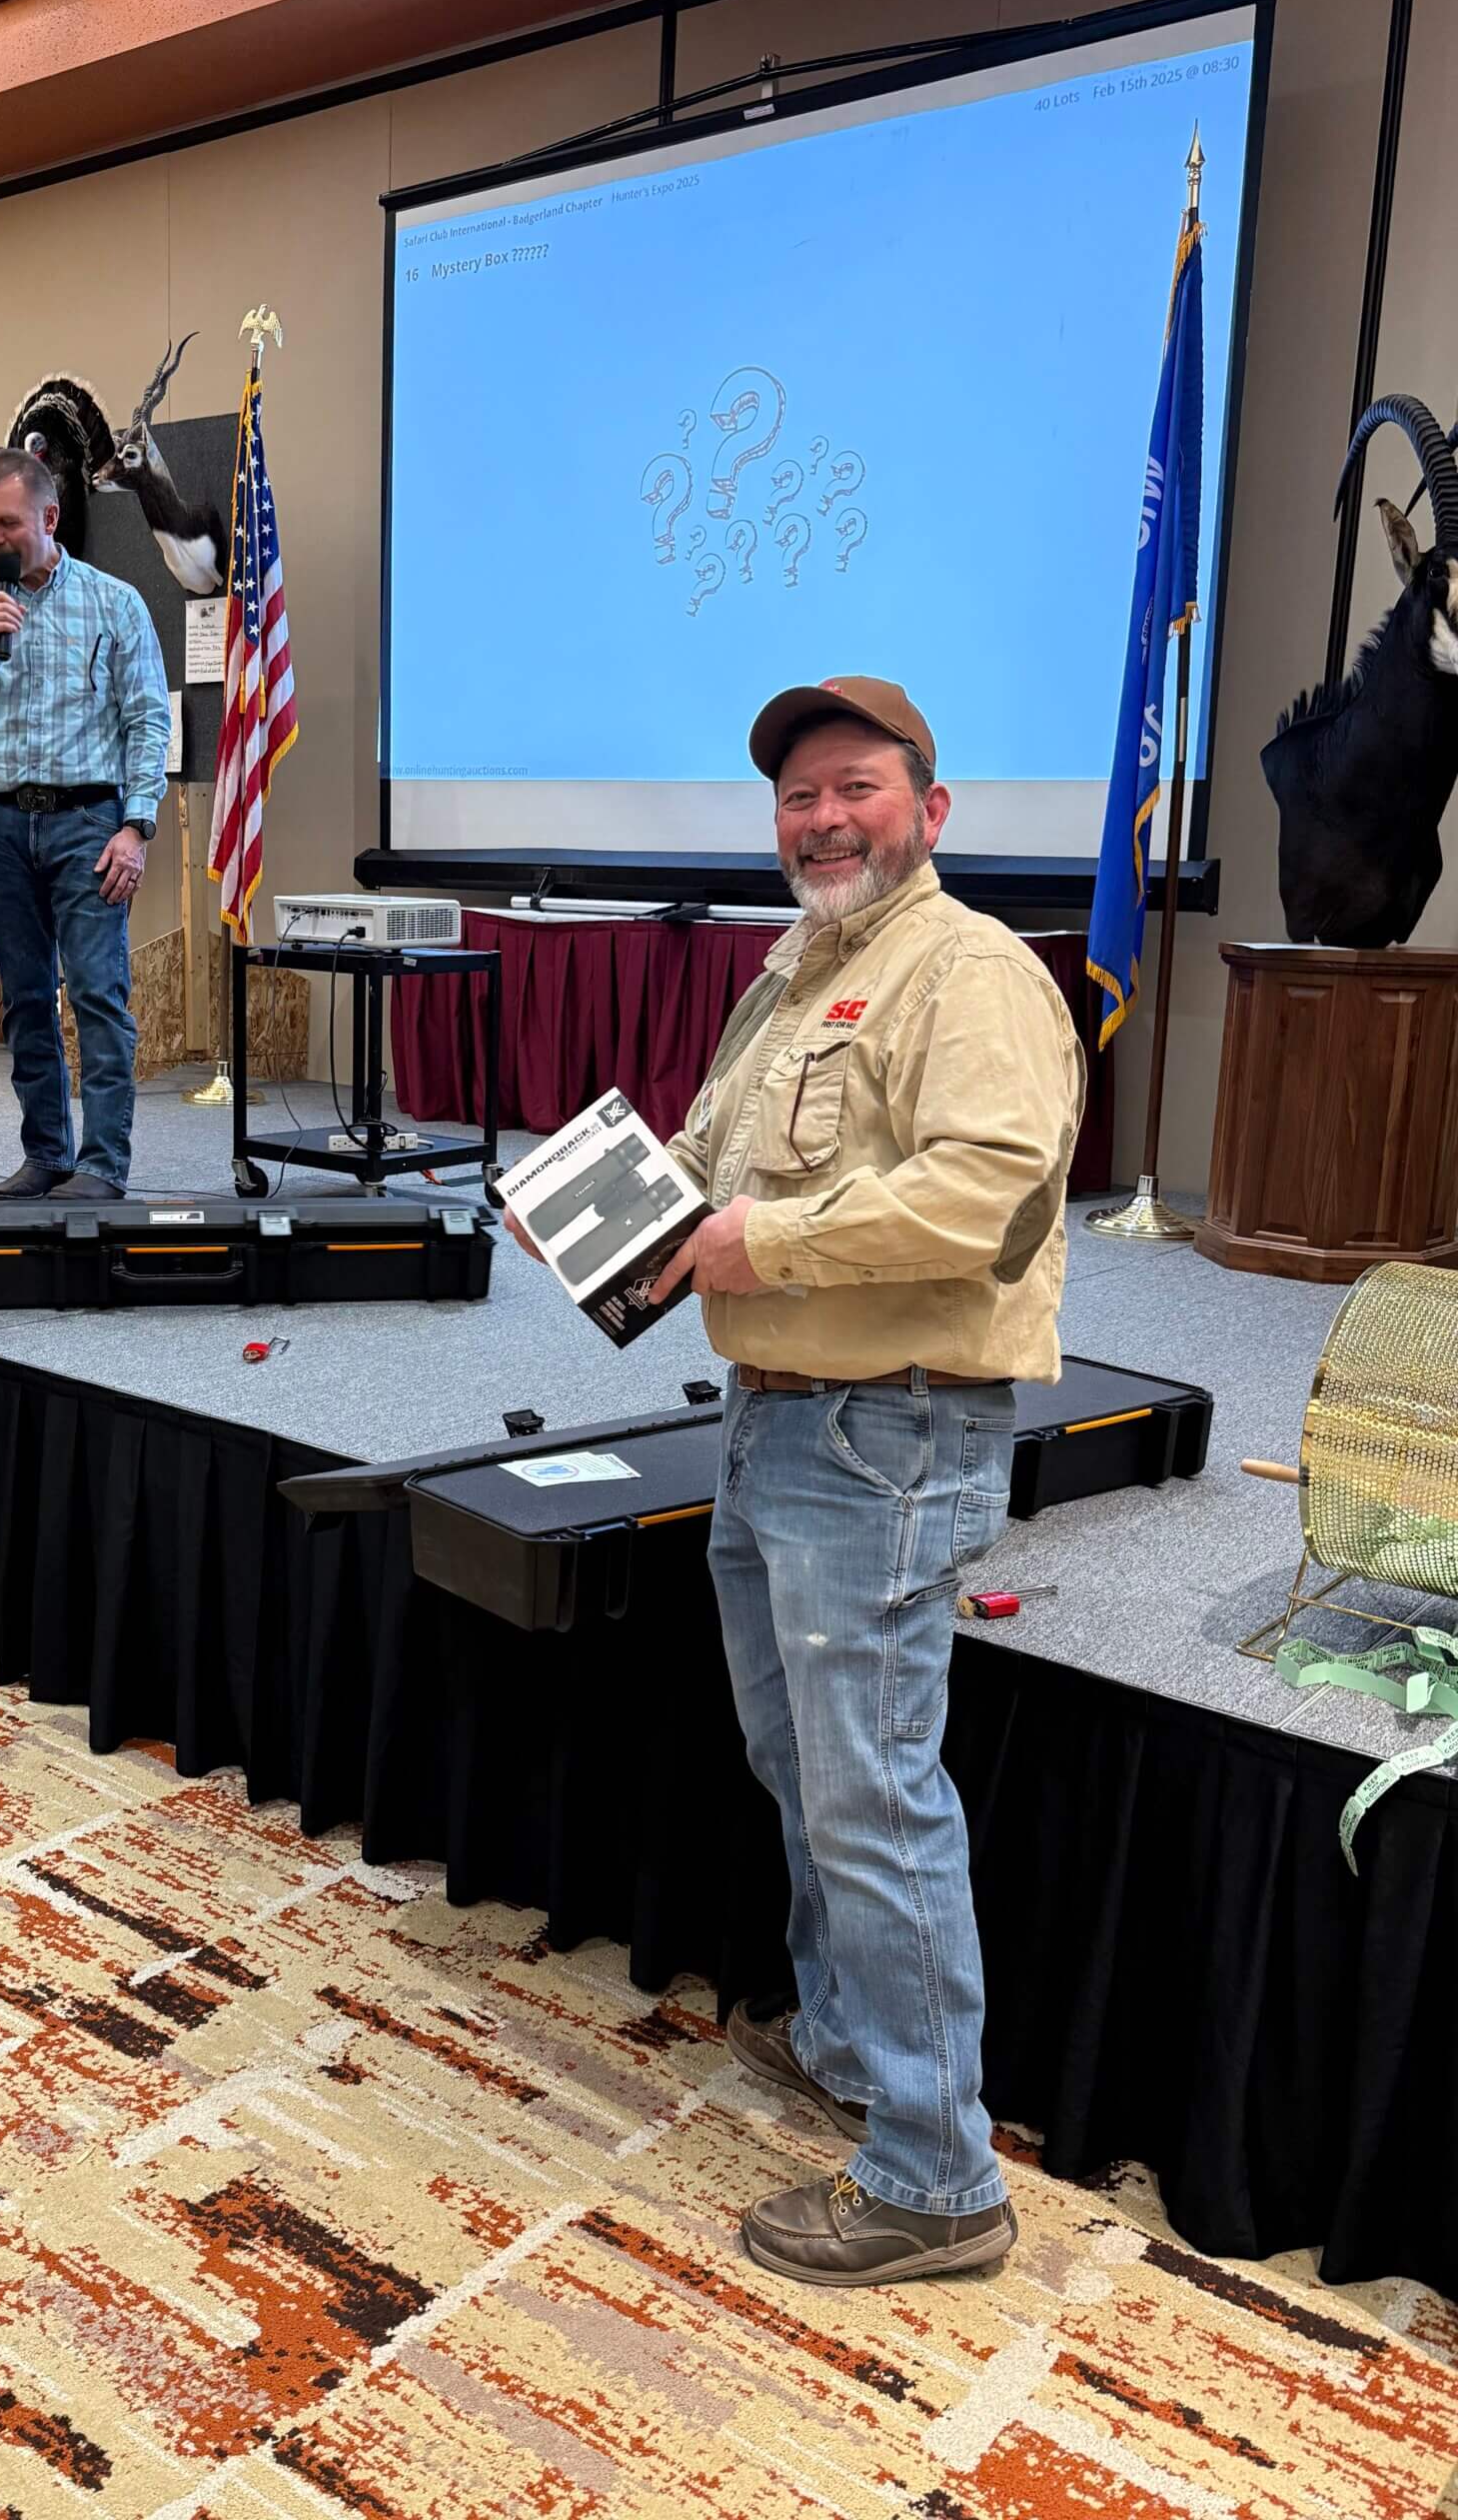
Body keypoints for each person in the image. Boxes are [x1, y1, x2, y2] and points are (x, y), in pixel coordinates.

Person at [512, 676, 1082, 2286]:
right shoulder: (791, 977)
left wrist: (759, 1241)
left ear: (930, 809)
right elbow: (709, 1173)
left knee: (873, 1798)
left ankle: (936, 2179)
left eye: (854, 788)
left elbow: (990, 1198)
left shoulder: (971, 973)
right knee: (806, 1768)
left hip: (887, 1437)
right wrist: (599, 1217)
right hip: (778, 1423)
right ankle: (848, 2044)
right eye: (797, 797)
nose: (822, 820)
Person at [0, 449, 172, 1202]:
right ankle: (47, 1154)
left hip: (89, 823)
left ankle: (102, 1164)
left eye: (6, 522)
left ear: (50, 517)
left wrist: (137, 827)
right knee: (25, 999)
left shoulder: (114, 602)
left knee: (97, 994)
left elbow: (148, 722)